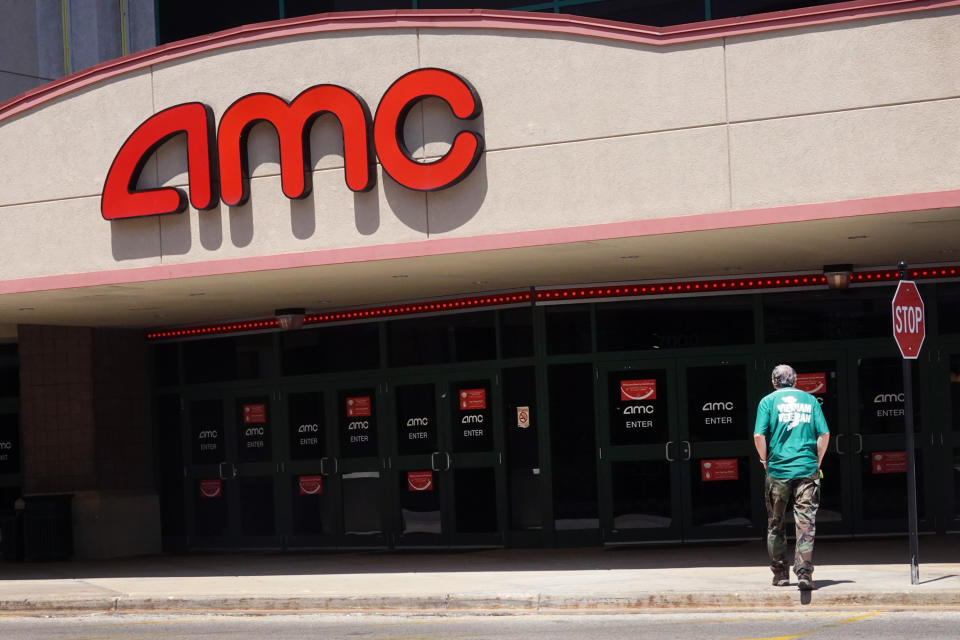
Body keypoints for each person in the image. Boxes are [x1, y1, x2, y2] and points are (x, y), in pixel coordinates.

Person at [753, 364, 830, 590]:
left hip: (778, 471)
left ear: (774, 382)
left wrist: (765, 461)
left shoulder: (767, 402)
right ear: (795, 381)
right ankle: (804, 573)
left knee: (775, 523)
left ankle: (780, 575)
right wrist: (818, 461)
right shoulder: (811, 401)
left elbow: (759, 435)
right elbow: (824, 434)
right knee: (805, 523)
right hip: (807, 470)